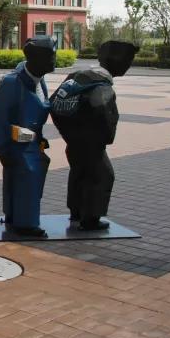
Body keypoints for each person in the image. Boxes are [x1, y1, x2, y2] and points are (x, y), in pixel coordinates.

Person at [50, 40, 137, 231]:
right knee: (102, 176)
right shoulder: (103, 87)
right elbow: (105, 118)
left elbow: (54, 102)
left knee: (79, 173)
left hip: (73, 142)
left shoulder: (77, 76)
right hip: (91, 144)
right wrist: (103, 138)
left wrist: (69, 135)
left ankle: (76, 211)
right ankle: (90, 219)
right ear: (120, 62)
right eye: (128, 61)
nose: (128, 65)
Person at [0, 36, 55, 237]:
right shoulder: (11, 83)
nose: (54, 61)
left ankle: (19, 218)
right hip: (16, 145)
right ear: (35, 58)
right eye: (50, 56)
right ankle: (25, 223)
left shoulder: (39, 81)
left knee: (29, 181)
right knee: (25, 181)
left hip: (32, 145)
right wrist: (2, 150)